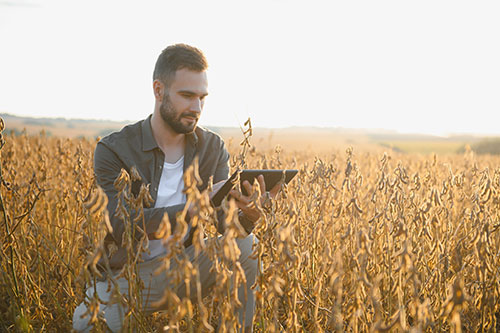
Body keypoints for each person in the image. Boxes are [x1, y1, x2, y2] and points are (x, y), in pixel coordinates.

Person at [72, 44, 277, 332]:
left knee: (246, 244)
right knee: (85, 324)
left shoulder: (212, 147)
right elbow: (122, 225)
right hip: (128, 278)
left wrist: (250, 214)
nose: (197, 108)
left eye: (202, 98)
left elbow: (223, 226)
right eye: (187, 96)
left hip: (187, 269)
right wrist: (195, 206)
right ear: (158, 91)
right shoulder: (114, 149)